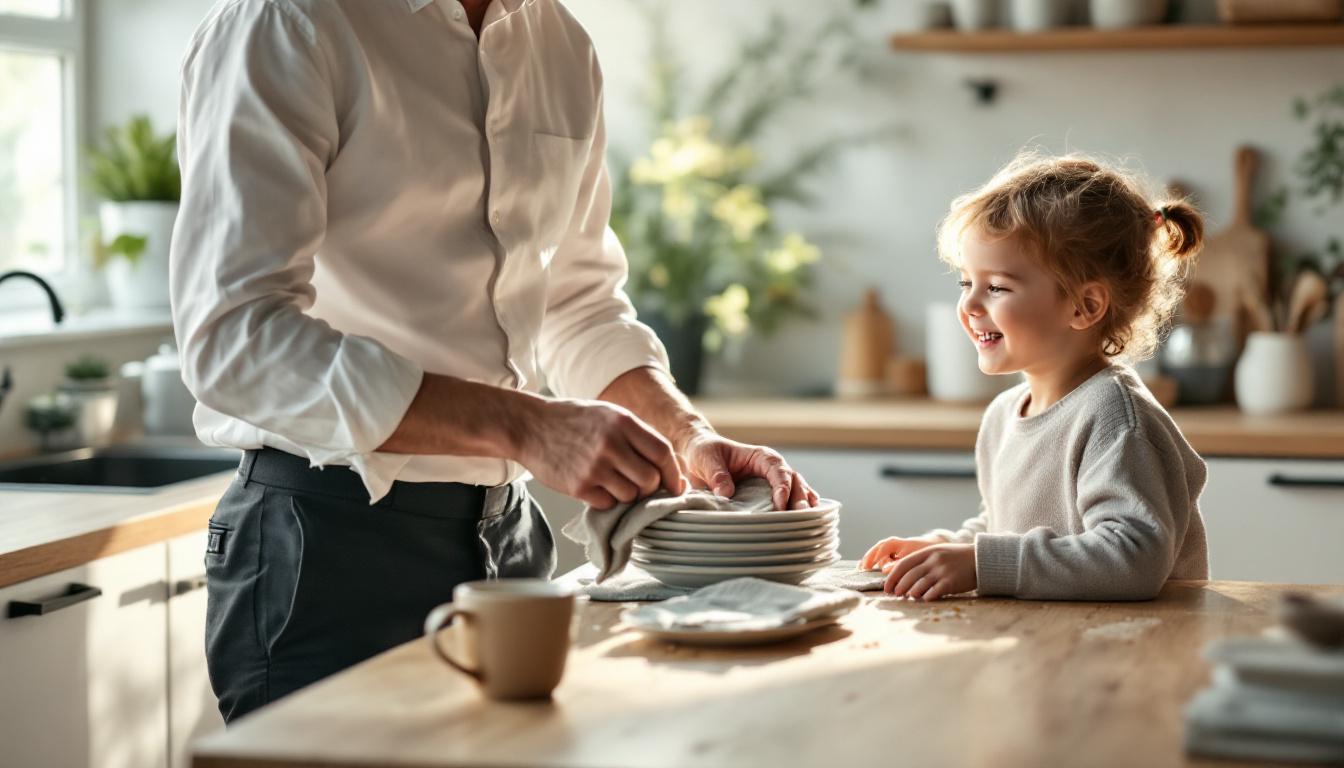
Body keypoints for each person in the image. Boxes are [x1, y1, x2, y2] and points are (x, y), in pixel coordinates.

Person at [171, 0, 816, 722]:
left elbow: (579, 304)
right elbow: (235, 338)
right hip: (322, 546)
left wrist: (687, 435)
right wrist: (526, 426)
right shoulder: (288, 23)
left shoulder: (561, 44)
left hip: (508, 539)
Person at [860, 153, 1210, 602]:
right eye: (966, 283)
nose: (968, 306)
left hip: (1132, 654)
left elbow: (1133, 557)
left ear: (1084, 306)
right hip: (1052, 646)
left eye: (997, 287)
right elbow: (1006, 529)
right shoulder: (1004, 414)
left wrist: (982, 564)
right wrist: (950, 547)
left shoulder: (1116, 419)